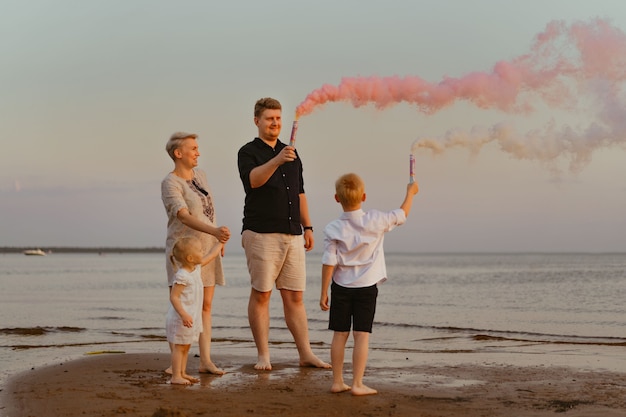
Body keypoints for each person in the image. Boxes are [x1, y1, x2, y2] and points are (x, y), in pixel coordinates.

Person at [237, 97, 331, 371]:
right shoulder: (248, 152)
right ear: (257, 121)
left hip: (293, 233)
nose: (275, 123)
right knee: (262, 294)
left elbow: (300, 192)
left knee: (295, 297)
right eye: (269, 118)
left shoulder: (293, 153)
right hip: (260, 233)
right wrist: (277, 160)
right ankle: (264, 356)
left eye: (278, 118)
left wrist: (309, 227)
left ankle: (306, 354)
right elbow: (253, 181)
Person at [319, 173, 419, 395]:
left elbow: (329, 262)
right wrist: (410, 193)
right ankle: (357, 384)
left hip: (340, 287)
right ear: (363, 196)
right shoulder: (375, 219)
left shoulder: (333, 228)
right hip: (366, 287)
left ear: (337, 198)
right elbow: (402, 214)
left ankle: (337, 382)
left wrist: (323, 291)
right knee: (361, 335)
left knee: (339, 334)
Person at [161, 131, 231, 375]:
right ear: (178, 154)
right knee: (181, 303)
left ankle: (205, 361)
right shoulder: (170, 182)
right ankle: (175, 365)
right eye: (193, 148)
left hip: (207, 247)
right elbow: (183, 214)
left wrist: (217, 240)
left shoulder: (201, 175)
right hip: (183, 251)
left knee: (206, 305)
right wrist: (214, 231)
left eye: (197, 147)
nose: (198, 152)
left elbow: (209, 209)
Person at [166, 237, 224, 385]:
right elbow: (174, 297)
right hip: (181, 318)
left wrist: (220, 243)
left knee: (186, 346)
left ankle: (182, 373)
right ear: (190, 258)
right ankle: (175, 376)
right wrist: (183, 314)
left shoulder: (195, 268)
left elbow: (209, 256)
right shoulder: (182, 276)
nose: (202, 251)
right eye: (199, 250)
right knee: (179, 347)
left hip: (191, 318)